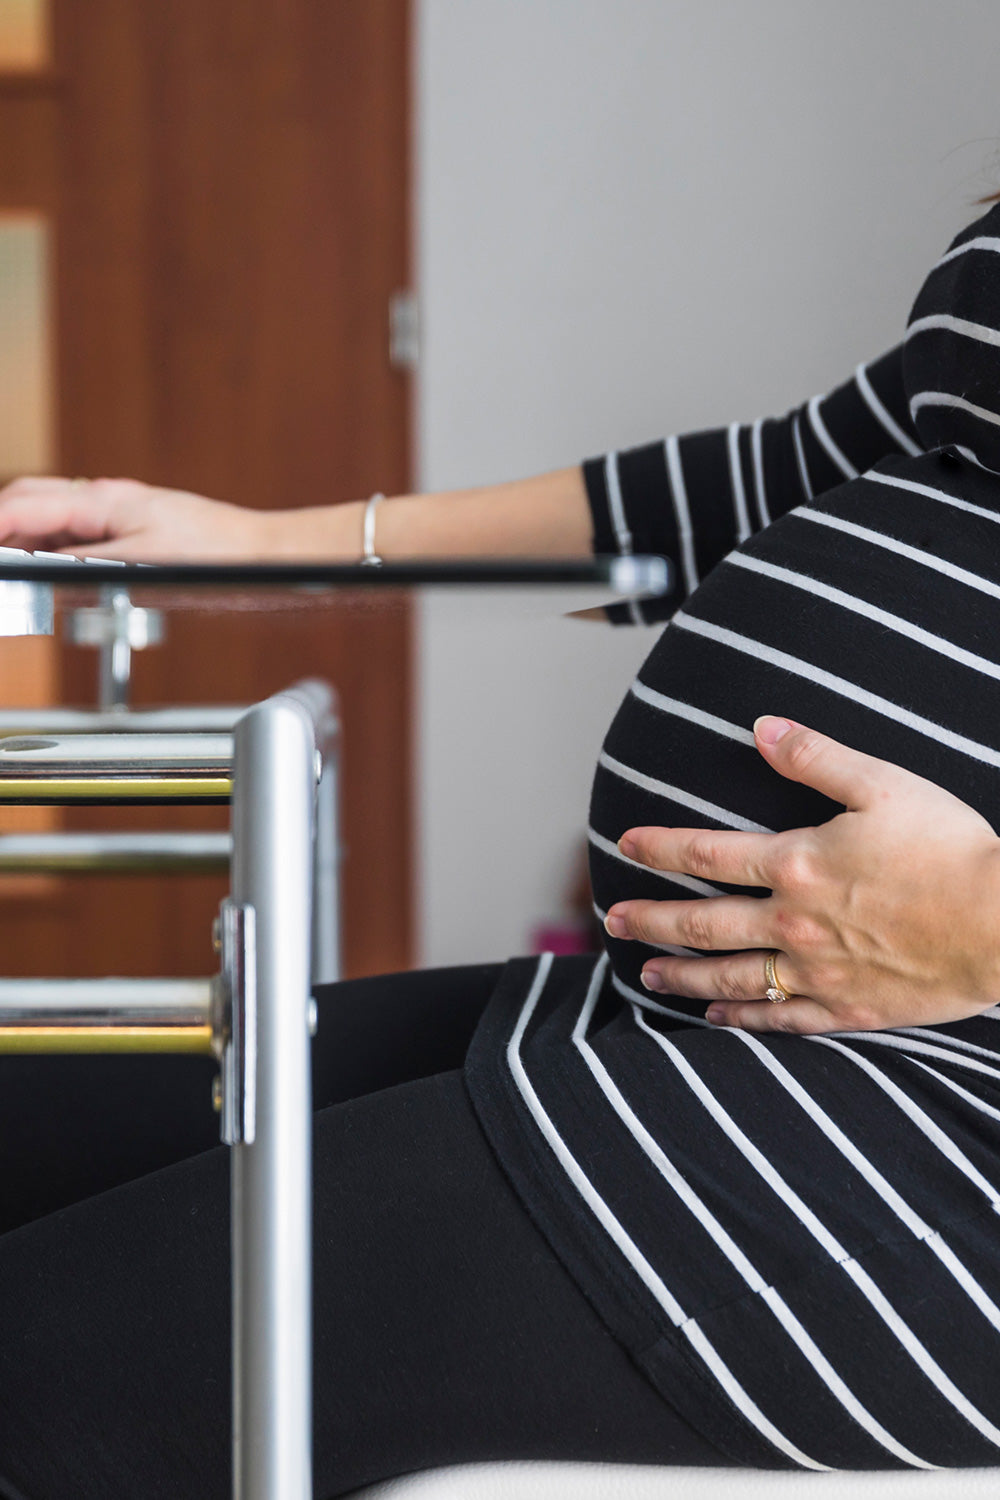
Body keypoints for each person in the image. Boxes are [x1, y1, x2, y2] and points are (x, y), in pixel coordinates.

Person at [0, 195, 998, 1495]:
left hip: (905, 1154)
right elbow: (790, 468)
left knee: (41, 1374)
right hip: (686, 1027)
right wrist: (276, 551)